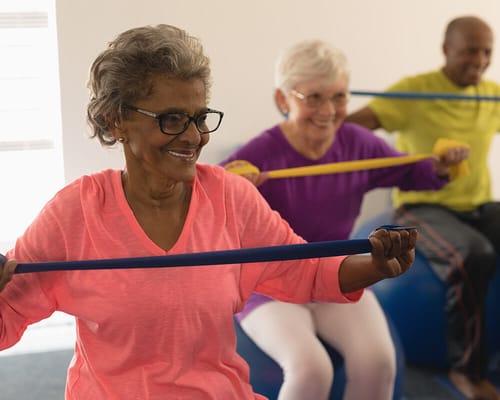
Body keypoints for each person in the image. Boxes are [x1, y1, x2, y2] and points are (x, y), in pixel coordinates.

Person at [0, 24, 419, 400]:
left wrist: (377, 264)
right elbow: (8, 319)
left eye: (200, 118)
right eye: (172, 119)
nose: (194, 136)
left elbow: (305, 270)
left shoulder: (229, 197)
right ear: (117, 122)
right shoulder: (74, 213)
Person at [221, 39, 468, 400]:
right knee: (310, 369)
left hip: (337, 274)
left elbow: (413, 171)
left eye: (339, 97)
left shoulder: (357, 143)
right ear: (282, 100)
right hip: (271, 286)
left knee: (379, 361)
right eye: (314, 97)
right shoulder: (258, 155)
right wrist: (231, 189)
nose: (329, 110)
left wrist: (443, 165)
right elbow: (206, 201)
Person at [346, 15, 500, 400]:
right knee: (472, 256)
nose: (478, 60)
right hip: (422, 204)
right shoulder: (414, 92)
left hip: (479, 205)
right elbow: (350, 130)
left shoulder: (491, 95)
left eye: (486, 52)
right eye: (469, 51)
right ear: (446, 49)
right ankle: (467, 372)